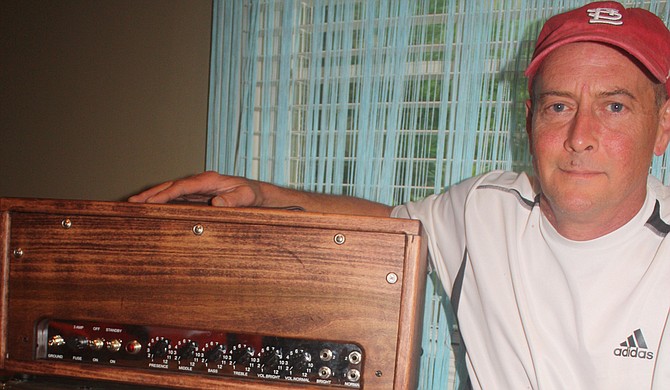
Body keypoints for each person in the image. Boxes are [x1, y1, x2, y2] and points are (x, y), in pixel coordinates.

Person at [130, 1, 670, 388]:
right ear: (528, 121)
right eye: (558, 106)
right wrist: (262, 195)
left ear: (663, 127)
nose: (579, 136)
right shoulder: (483, 210)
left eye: (615, 107)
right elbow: (393, 225)